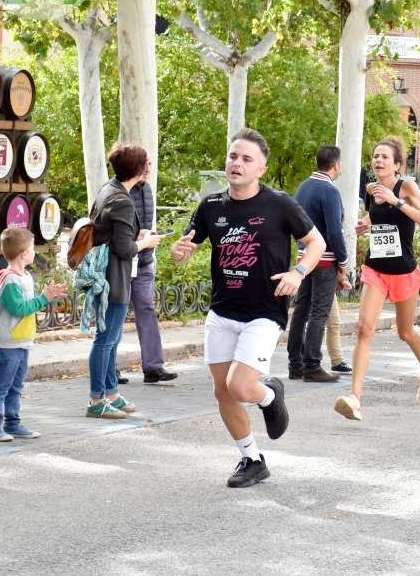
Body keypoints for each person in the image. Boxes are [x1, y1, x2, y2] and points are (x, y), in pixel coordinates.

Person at [171, 128, 325, 488]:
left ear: (262, 169)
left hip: (264, 312)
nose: (237, 163)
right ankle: (252, 459)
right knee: (222, 391)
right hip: (222, 312)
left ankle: (270, 394)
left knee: (240, 386)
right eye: (233, 156)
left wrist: (298, 272)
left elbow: (315, 242)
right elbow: (187, 247)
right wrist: (180, 253)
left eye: (246, 159)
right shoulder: (211, 206)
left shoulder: (280, 203)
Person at [334, 137, 420, 421]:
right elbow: (376, 218)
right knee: (364, 329)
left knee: (405, 332)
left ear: (397, 164)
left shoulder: (406, 187)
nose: (378, 160)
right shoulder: (371, 190)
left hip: (403, 270)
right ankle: (355, 398)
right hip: (376, 269)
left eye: (384, 157)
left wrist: (397, 201)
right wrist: (365, 226)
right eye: (375, 155)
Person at [87, 144, 165, 420]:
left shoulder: (110, 190)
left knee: (112, 337)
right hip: (113, 278)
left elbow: (113, 236)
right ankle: (97, 399)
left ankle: (110, 393)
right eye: (146, 163)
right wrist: (146, 242)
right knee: (106, 340)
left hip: (108, 276)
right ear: (139, 169)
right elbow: (124, 248)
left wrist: (137, 236)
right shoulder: (121, 200)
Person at [0, 227, 67, 442]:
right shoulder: (10, 280)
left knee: (16, 386)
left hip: (22, 341)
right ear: (23, 254)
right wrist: (44, 297)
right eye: (31, 248)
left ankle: (13, 423)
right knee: (2, 386)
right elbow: (19, 309)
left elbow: (28, 306)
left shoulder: (25, 275)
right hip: (7, 342)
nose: (33, 251)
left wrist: (48, 295)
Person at [287, 144, 351, 383]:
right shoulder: (329, 190)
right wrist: (343, 260)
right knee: (319, 312)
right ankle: (312, 365)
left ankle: (296, 363)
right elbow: (334, 231)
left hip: (303, 258)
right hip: (324, 260)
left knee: (301, 311)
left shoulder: (303, 187)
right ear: (335, 164)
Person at [129, 156, 177, 383]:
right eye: (144, 163)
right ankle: (109, 371)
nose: (149, 167)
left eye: (150, 163)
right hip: (122, 261)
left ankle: (153, 367)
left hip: (144, 260)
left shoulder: (147, 189)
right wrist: (138, 238)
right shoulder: (118, 190)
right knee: (113, 316)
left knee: (146, 308)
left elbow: (143, 223)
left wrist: (151, 236)